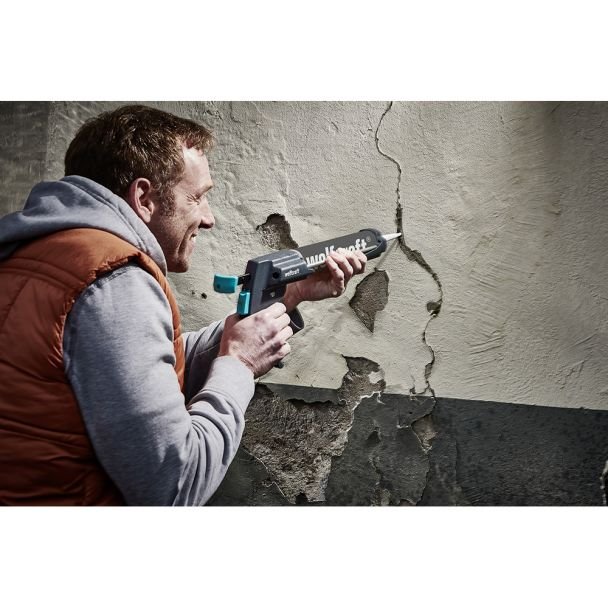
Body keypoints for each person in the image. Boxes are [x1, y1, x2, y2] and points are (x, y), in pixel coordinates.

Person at [0, 105, 367, 505]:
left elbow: (135, 367)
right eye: (198, 197)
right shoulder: (116, 282)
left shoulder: (33, 253)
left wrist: (286, 297)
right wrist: (240, 364)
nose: (209, 219)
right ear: (144, 198)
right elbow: (175, 485)